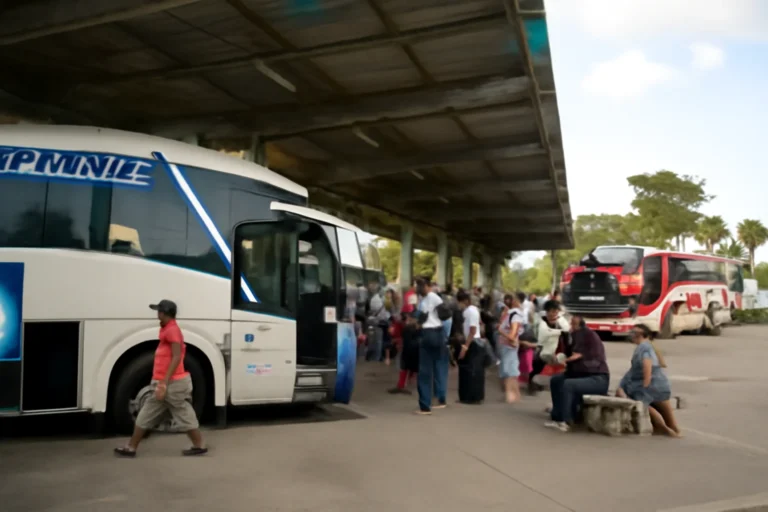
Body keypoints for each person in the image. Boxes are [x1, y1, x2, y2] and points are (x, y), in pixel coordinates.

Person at [114, 300, 207, 457]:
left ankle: (198, 444)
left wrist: (164, 382)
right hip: (166, 383)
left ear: (164, 313)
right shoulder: (168, 330)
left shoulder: (172, 331)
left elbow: (177, 357)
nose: (157, 315)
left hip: (173, 384)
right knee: (150, 414)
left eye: (159, 312)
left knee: (182, 414)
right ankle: (131, 447)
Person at [545, 314, 610, 432]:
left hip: (597, 378)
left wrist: (564, 361)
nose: (571, 325)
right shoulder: (576, 336)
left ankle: (565, 421)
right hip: (582, 375)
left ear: (578, 324)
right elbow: (568, 353)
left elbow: (577, 355)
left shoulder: (586, 334)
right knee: (556, 380)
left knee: (569, 385)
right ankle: (557, 414)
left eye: (573, 323)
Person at [617, 324, 681, 437]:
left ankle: (661, 427)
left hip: (649, 384)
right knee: (662, 404)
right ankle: (673, 427)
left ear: (639, 335)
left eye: (633, 333)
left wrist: (645, 386)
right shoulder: (648, 346)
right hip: (660, 384)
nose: (630, 336)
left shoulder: (644, 347)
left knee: (641, 402)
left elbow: (647, 364)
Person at [414, 278, 449, 415]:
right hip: (438, 333)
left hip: (428, 334)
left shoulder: (429, 297)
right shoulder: (433, 297)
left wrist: (418, 324)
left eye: (421, 285)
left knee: (424, 372)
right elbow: (444, 315)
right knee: (439, 367)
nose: (418, 288)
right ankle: (440, 398)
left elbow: (423, 317)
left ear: (428, 286)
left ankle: (425, 406)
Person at [528, 300, 570, 394]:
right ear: (547, 311)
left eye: (556, 311)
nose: (554, 314)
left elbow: (566, 335)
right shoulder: (541, 322)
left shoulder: (561, 321)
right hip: (541, 347)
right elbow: (541, 336)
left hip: (555, 349)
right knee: (537, 366)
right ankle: (532, 385)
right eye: (552, 311)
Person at [455, 290, 486, 404]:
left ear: (465, 301)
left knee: (470, 371)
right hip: (474, 341)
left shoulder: (470, 311)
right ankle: (475, 396)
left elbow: (472, 330)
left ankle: (470, 397)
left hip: (472, 342)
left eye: (460, 302)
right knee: (476, 371)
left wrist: (465, 347)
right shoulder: (473, 310)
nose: (459, 305)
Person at [498, 293, 524, 403]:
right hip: (509, 345)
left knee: (510, 370)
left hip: (507, 345)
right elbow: (513, 334)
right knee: (510, 370)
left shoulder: (512, 314)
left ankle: (512, 395)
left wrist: (501, 331)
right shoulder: (515, 314)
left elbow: (511, 333)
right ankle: (513, 395)